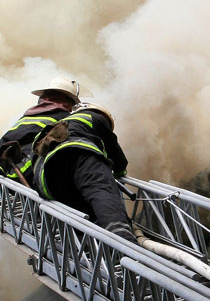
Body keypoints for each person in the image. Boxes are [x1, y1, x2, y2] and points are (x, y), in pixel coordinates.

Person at [31, 102, 135, 242]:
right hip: (77, 154)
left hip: (46, 177)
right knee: (101, 189)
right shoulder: (95, 117)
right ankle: (124, 243)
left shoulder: (61, 124)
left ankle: (90, 243)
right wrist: (117, 173)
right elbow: (118, 159)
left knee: (82, 209)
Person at [0, 77, 79, 186]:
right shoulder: (64, 120)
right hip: (31, 179)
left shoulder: (28, 115)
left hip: (8, 177)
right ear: (66, 100)